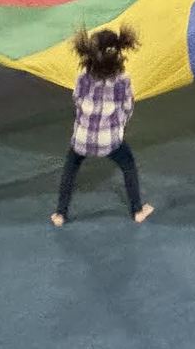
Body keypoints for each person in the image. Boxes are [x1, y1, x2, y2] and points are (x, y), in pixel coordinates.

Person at [50, 26, 154, 227]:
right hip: (110, 141)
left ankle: (60, 214)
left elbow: (77, 99)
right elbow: (127, 106)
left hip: (81, 138)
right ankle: (137, 210)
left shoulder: (83, 76)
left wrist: (84, 121)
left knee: (70, 169)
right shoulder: (122, 79)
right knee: (128, 166)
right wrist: (118, 126)